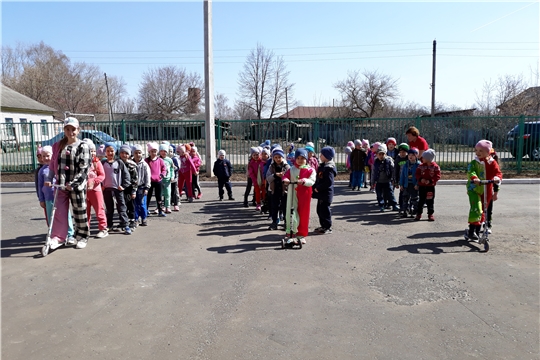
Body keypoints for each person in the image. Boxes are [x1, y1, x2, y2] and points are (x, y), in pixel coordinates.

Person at [44, 117, 91, 250]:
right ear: (64, 130)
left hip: (77, 186)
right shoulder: (58, 145)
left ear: (78, 130)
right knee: (59, 212)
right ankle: (59, 237)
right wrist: (49, 178)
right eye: (68, 129)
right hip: (61, 185)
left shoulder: (83, 146)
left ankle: (82, 236)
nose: (71, 132)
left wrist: (74, 183)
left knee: (79, 211)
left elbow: (84, 169)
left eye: (73, 129)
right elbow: (53, 165)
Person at [465, 140, 502, 240]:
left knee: (484, 210)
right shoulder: (474, 162)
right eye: (476, 150)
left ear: (488, 151)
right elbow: (470, 171)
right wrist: (474, 178)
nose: (478, 152)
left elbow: (498, 173)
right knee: (477, 207)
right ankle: (471, 231)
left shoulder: (492, 162)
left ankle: (477, 231)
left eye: (481, 150)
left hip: (487, 188)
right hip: (475, 188)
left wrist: (497, 178)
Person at [282, 148, 316, 245]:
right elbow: (286, 176)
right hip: (293, 193)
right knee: (291, 211)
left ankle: (301, 234)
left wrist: (305, 181)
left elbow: (312, 180)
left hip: (305, 194)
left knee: (303, 214)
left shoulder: (310, 170)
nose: (300, 160)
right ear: (295, 159)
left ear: (306, 159)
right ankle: (290, 232)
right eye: (298, 158)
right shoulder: (291, 169)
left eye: (302, 158)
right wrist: (285, 180)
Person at [101, 142, 131, 235]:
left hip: (117, 189)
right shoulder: (102, 163)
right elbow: (99, 174)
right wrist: (101, 185)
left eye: (112, 151)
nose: (110, 153)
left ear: (115, 151)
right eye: (108, 151)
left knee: (121, 207)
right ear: (105, 152)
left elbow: (127, 176)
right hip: (106, 189)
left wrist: (124, 185)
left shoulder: (119, 162)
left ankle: (125, 225)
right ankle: (109, 225)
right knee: (109, 209)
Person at [83, 139, 108, 238]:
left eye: (93, 150)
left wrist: (93, 182)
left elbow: (102, 175)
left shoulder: (96, 162)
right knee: (85, 211)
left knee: (99, 210)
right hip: (84, 191)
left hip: (95, 190)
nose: (92, 153)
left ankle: (103, 228)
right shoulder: (80, 163)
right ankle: (85, 229)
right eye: (90, 151)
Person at [313, 146, 337, 234]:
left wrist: (318, 187)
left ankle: (327, 226)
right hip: (321, 194)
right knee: (319, 210)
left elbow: (328, 182)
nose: (320, 156)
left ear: (326, 157)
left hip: (326, 194)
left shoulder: (329, 169)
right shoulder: (323, 166)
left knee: (324, 211)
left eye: (322, 155)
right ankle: (323, 225)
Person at [266, 147, 290, 230]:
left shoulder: (286, 166)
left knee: (285, 207)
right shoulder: (271, 167)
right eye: (275, 157)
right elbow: (268, 178)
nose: (277, 159)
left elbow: (290, 176)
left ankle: (286, 223)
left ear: (282, 157)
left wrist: (284, 177)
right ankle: (274, 222)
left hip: (284, 190)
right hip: (274, 189)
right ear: (273, 158)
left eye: (279, 157)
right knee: (274, 206)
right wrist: (275, 175)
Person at [414, 148, 440, 221]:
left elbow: (437, 176)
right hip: (422, 186)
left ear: (428, 159)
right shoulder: (421, 166)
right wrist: (421, 179)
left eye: (424, 157)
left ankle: (430, 214)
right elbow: (417, 174)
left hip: (430, 187)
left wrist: (431, 181)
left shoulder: (435, 167)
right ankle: (419, 214)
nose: (422, 158)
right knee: (421, 200)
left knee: (430, 200)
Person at [372, 144, 399, 212]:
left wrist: (393, 180)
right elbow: (373, 173)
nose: (381, 156)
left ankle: (394, 205)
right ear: (377, 155)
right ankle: (382, 206)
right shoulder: (376, 162)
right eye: (379, 154)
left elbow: (393, 171)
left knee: (390, 193)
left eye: (382, 154)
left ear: (385, 154)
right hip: (379, 181)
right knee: (379, 195)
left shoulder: (389, 161)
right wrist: (372, 182)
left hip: (387, 181)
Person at [145, 142, 167, 216]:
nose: (154, 153)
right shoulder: (146, 161)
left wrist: (162, 175)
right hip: (149, 181)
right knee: (148, 196)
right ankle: (146, 210)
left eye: (155, 151)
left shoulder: (160, 160)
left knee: (159, 197)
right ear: (149, 152)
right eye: (152, 151)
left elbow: (164, 169)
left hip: (158, 181)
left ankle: (160, 211)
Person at [119, 144, 139, 228]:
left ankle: (132, 220)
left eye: (126, 153)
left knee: (131, 205)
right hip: (120, 188)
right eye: (122, 153)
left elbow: (135, 179)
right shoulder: (117, 163)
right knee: (122, 205)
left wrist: (134, 191)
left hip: (129, 188)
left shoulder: (132, 165)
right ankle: (123, 221)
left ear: (129, 155)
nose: (124, 155)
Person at [132, 144, 151, 226]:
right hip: (133, 187)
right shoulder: (131, 163)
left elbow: (148, 176)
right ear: (133, 154)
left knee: (142, 203)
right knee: (135, 204)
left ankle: (144, 218)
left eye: (139, 153)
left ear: (142, 154)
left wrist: (147, 187)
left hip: (142, 186)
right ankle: (136, 218)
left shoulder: (144, 164)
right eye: (135, 153)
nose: (137, 155)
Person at [399, 147, 420, 218]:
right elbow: (402, 175)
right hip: (406, 184)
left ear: (416, 156)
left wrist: (417, 184)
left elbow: (420, 176)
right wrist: (401, 184)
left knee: (414, 199)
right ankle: (405, 210)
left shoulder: (418, 165)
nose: (410, 156)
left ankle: (415, 211)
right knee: (405, 198)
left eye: (412, 155)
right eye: (409, 155)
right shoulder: (406, 165)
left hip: (414, 185)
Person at [37, 146, 54, 226]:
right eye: (43, 156)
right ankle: (53, 233)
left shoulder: (56, 167)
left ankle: (69, 233)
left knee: (63, 215)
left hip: (59, 196)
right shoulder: (42, 171)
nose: (46, 158)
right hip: (48, 197)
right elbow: (40, 187)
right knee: (51, 216)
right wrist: (41, 199)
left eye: (48, 155)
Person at [247, 146, 265, 211]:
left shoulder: (262, 161)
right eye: (254, 155)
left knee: (264, 191)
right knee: (257, 192)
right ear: (251, 156)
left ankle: (264, 202)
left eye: (257, 154)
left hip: (263, 179)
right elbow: (251, 173)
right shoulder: (251, 163)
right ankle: (258, 203)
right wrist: (255, 181)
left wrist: (264, 179)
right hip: (256, 180)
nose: (255, 156)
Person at [394, 143, 410, 214]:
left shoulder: (409, 159)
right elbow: (396, 171)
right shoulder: (398, 159)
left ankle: (408, 207)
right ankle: (401, 206)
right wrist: (396, 182)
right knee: (402, 194)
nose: (402, 154)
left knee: (409, 194)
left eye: (403, 152)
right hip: (402, 180)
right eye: (400, 152)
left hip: (409, 180)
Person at [159, 143, 173, 212]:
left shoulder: (169, 160)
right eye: (162, 151)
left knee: (167, 194)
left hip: (167, 180)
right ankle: (159, 207)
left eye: (165, 151)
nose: (163, 152)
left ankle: (168, 206)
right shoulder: (158, 159)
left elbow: (171, 169)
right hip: (160, 180)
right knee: (160, 194)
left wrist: (172, 176)